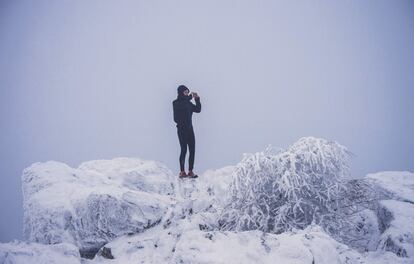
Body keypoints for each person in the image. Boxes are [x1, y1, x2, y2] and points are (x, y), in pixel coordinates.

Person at [172, 85, 201, 178]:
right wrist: (190, 97)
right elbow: (182, 105)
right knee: (184, 149)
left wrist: (197, 99)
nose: (187, 94)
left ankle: (190, 171)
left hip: (190, 129)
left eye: (188, 92)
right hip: (181, 129)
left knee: (192, 150)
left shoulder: (188, 103)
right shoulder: (176, 103)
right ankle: (182, 171)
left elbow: (198, 110)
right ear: (180, 92)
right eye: (185, 92)